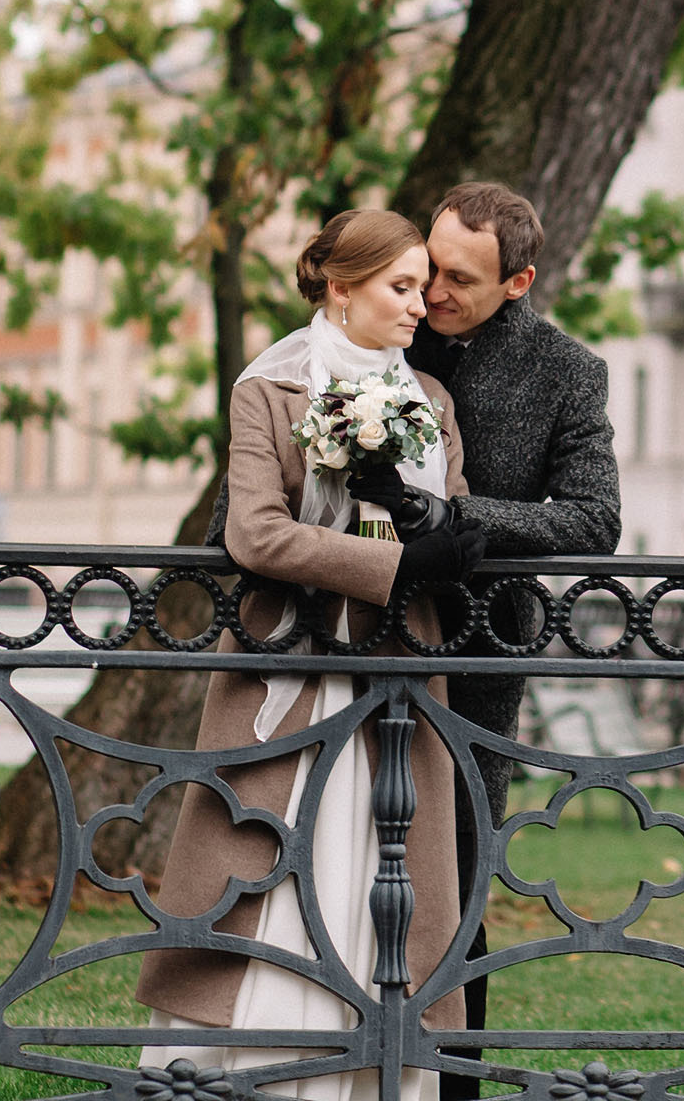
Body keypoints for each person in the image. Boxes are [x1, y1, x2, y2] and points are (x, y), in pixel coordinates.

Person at [136, 209, 488, 1101]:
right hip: (291, 664)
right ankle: (259, 1067)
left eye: (423, 288)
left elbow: (454, 514)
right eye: (400, 287)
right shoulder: (268, 389)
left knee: (388, 864)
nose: (420, 306)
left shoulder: (432, 399)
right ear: (340, 287)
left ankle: (374, 1072)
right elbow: (255, 532)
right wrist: (392, 563)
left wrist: (437, 527)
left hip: (401, 676)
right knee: (276, 857)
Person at [347, 180, 620, 1100]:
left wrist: (459, 517)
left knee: (456, 880)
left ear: (518, 282)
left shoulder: (566, 369)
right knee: (335, 857)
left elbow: (594, 518)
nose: (433, 293)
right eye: (431, 267)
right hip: (352, 636)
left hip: (477, 653)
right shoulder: (381, 323)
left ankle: (451, 1086)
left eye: (460, 279)